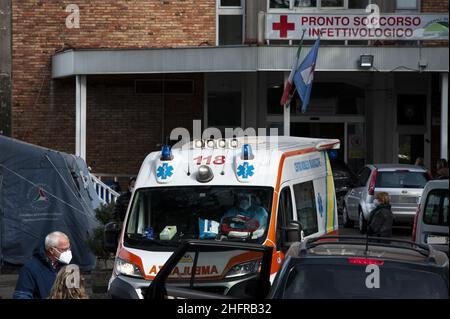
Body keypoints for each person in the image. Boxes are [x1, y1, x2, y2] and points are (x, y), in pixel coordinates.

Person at [13, 231, 72, 299]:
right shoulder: (30, 269)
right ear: (51, 250)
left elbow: (76, 293)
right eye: (64, 249)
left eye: (69, 248)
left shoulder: (66, 266)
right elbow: (21, 296)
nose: (68, 252)